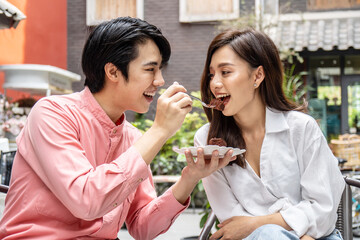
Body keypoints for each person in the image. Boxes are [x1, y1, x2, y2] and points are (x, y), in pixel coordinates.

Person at [0, 17, 233, 239]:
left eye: (160, 69)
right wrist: (159, 131)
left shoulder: (133, 137)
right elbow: (86, 200)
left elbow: (143, 228)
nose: (160, 80)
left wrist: (190, 178)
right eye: (150, 69)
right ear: (112, 72)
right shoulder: (52, 113)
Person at [194, 28, 345, 240]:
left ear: (258, 75)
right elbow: (232, 222)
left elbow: (322, 209)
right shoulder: (206, 141)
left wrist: (261, 224)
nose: (214, 84)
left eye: (225, 72)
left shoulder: (301, 129)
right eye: (211, 74)